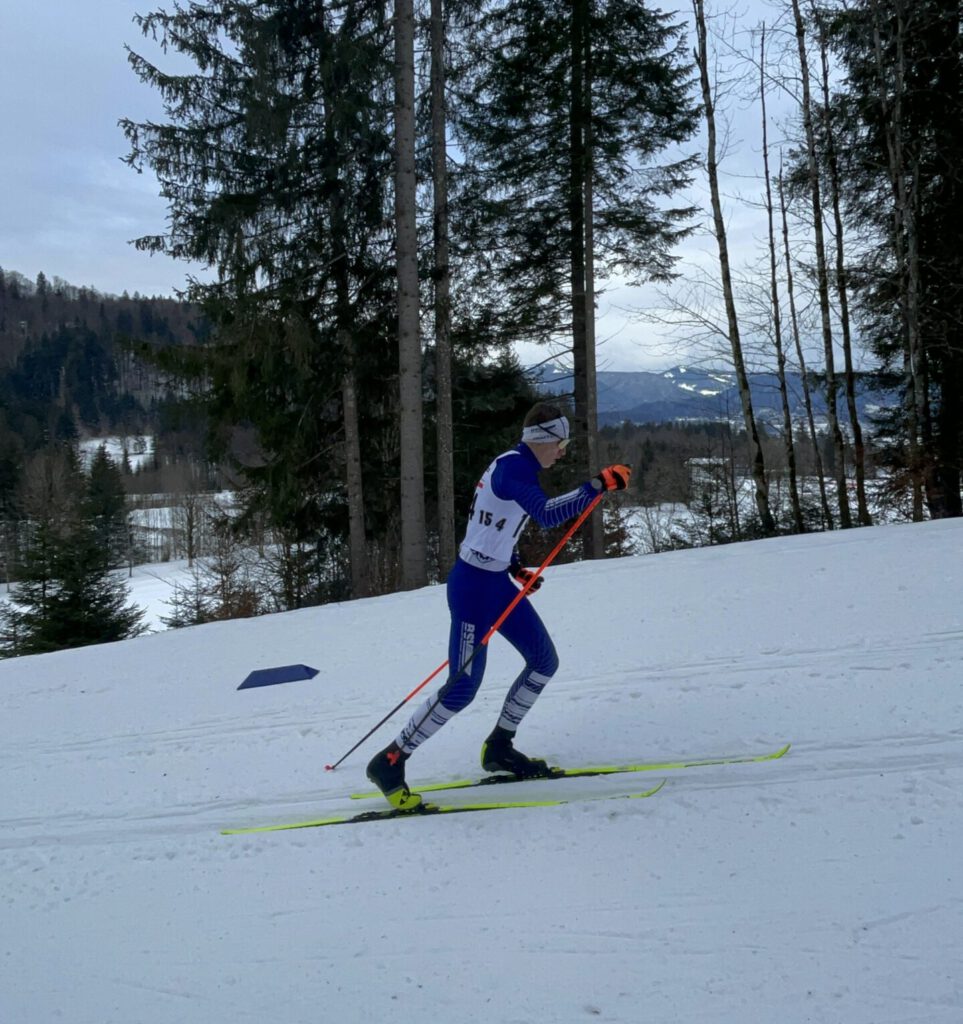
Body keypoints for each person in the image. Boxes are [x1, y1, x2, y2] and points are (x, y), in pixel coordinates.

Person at [365, 402, 631, 809]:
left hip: (496, 582)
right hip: (472, 589)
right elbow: (544, 514)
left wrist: (514, 567)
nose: (562, 451)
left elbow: (490, 523)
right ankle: (390, 760)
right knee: (462, 688)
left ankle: (499, 748)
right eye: (561, 443)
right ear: (545, 440)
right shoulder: (514, 469)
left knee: (544, 661)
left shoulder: (516, 465)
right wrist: (596, 485)